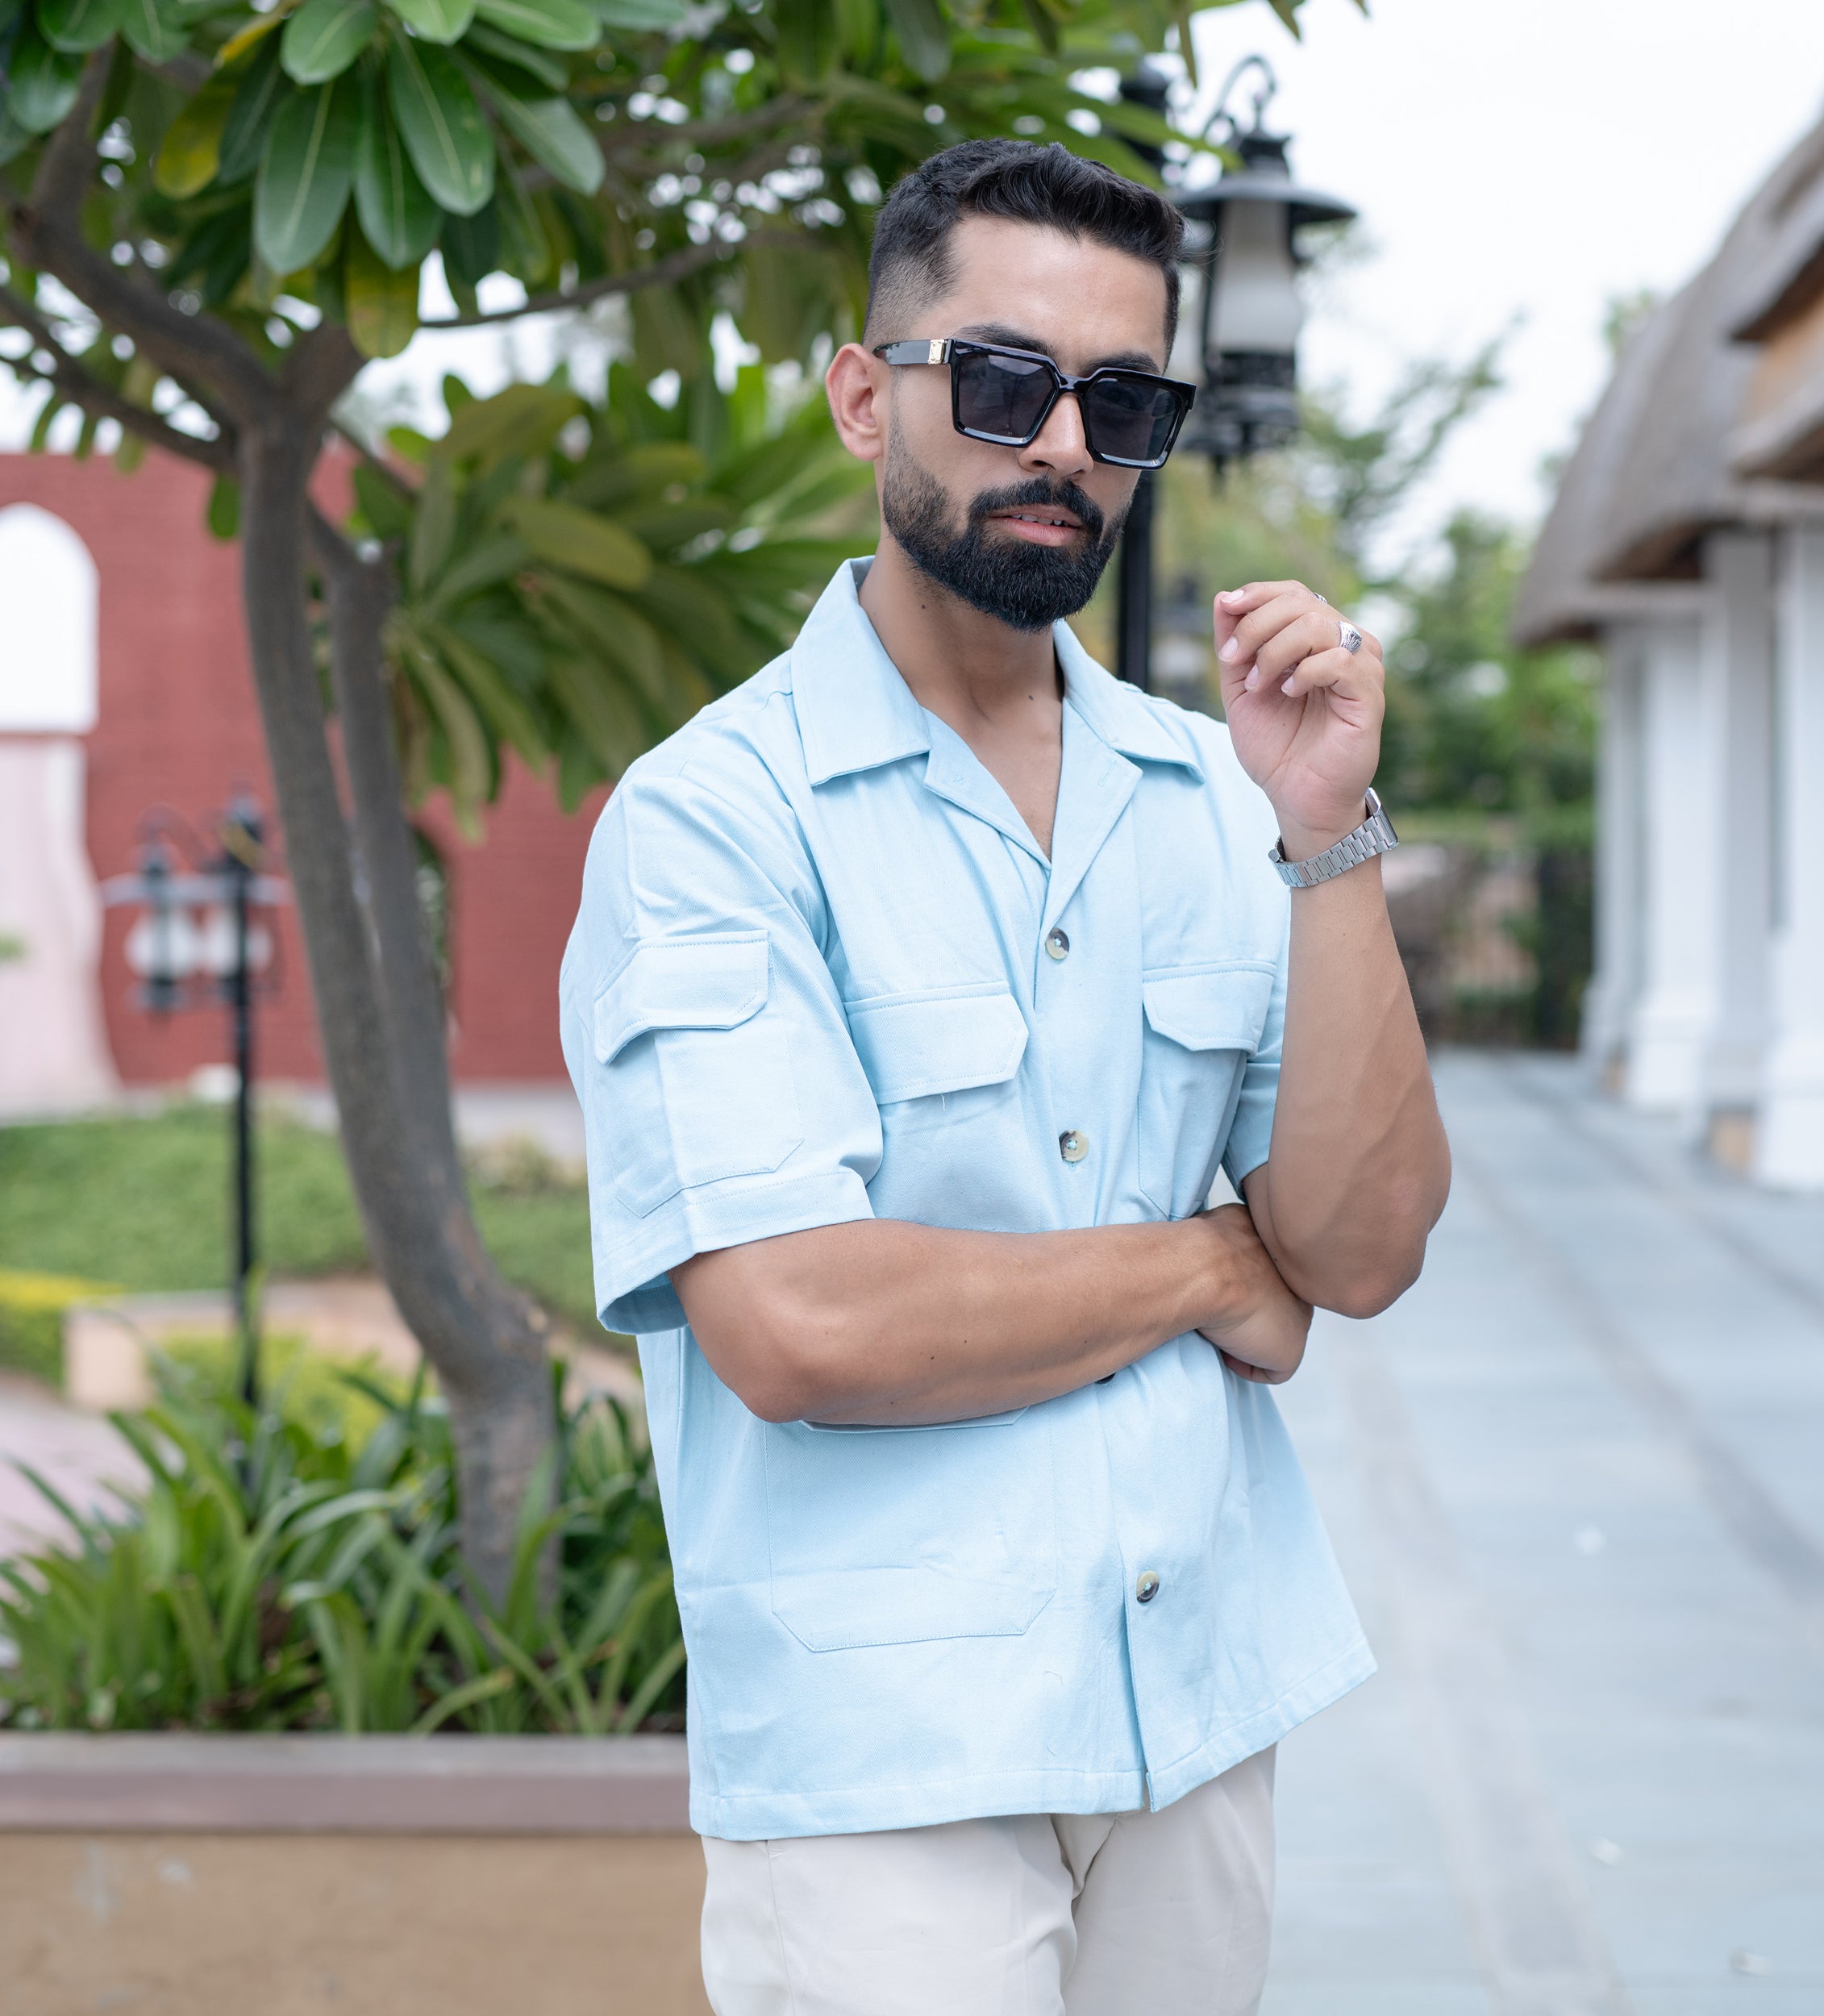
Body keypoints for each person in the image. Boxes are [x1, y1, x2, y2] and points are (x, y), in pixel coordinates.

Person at [560, 137, 1450, 2016]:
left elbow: (1357, 1251)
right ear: (861, 394)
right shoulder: (714, 823)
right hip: (888, 1755)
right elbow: (798, 1315)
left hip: (1192, 1707)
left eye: (1119, 401)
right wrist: (1211, 1269)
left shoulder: (1222, 796)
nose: (1060, 440)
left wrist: (1329, 836)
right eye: (999, 380)